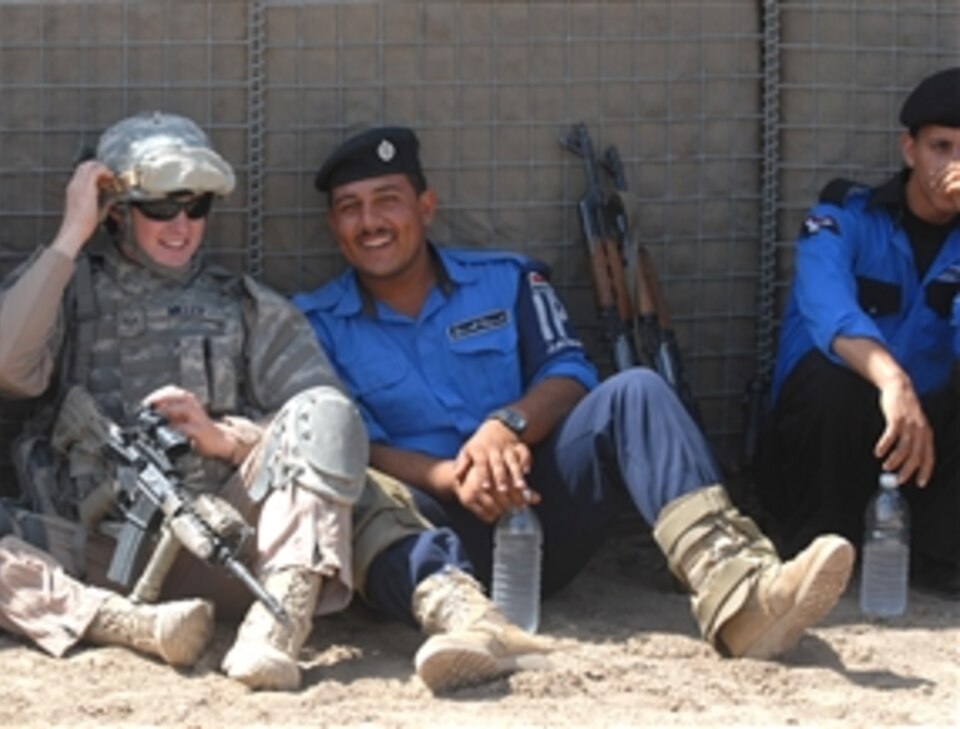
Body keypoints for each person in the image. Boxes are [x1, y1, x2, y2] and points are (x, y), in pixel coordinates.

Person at [0, 111, 545, 694]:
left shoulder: (247, 306)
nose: (181, 225)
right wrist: (70, 234)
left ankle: (300, 624)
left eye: (196, 206)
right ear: (117, 210)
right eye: (160, 207)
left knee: (341, 450)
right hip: (92, 553)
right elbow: (1, 367)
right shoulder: (67, 290)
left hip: (232, 541)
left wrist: (225, 437)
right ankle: (131, 628)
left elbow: (330, 427)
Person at [295, 125, 855, 661]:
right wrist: (449, 477)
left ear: (426, 206)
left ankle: (738, 592)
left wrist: (504, 428)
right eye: (350, 208)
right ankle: (461, 621)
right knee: (347, 484)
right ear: (333, 226)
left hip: (533, 512)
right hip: (423, 526)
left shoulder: (508, 280)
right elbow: (351, 442)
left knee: (636, 390)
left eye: (387, 200)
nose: (370, 222)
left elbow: (569, 372)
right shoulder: (313, 324)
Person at [755, 67, 960, 598]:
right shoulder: (841, 222)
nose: (955, 164)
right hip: (829, 443)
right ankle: (817, 550)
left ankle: (941, 557)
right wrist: (893, 382)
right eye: (942, 146)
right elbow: (831, 313)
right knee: (836, 380)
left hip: (922, 450)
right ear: (909, 149)